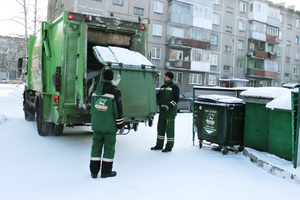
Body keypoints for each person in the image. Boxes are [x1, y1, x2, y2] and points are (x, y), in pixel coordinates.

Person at [89, 69, 124, 178]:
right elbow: (118, 110)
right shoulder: (115, 92)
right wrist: (120, 124)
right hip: (109, 126)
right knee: (109, 148)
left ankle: (94, 172)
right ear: (112, 78)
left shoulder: (95, 90)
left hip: (97, 125)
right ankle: (106, 172)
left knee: (95, 147)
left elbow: (92, 106)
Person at [151, 71, 179, 152]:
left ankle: (169, 146)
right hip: (162, 112)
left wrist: (168, 106)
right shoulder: (163, 87)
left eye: (165, 76)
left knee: (169, 129)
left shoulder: (174, 87)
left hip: (170, 112)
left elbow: (176, 99)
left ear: (169, 77)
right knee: (160, 128)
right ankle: (159, 145)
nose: (164, 77)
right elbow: (158, 97)